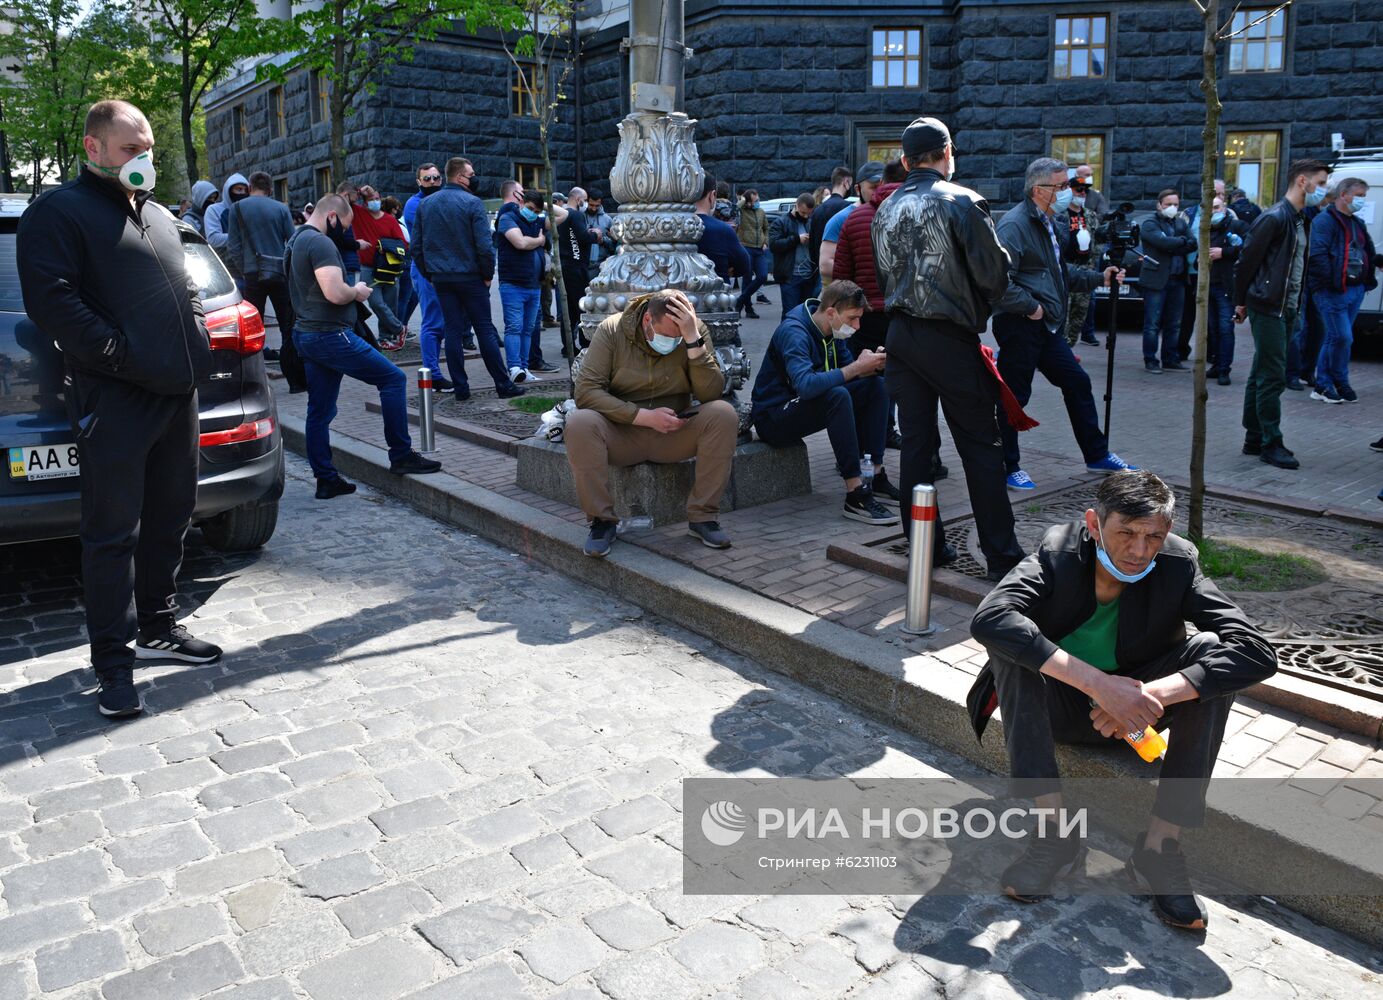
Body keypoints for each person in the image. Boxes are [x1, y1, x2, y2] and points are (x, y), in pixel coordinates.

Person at [967, 470, 1276, 930]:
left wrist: (1147, 696)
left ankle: (1157, 848)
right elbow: (990, 617)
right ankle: (1054, 833)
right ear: (1094, 524)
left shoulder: (1178, 564)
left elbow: (1258, 652)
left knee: (1213, 655)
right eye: (1125, 533)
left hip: (1139, 716)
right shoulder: (1058, 554)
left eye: (1153, 536)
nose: (1138, 550)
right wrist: (1098, 685)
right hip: (1063, 709)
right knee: (1010, 649)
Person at [17, 100, 223, 718]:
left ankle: (158, 626)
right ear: (93, 148)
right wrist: (119, 354)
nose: (144, 158)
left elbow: (183, 288)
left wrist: (197, 345)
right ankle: (112, 664)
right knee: (112, 535)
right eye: (131, 148)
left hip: (176, 395)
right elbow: (51, 302)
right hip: (115, 397)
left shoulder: (158, 215)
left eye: (149, 147)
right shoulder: (58, 213)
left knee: (171, 518)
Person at [872, 116, 1028, 579]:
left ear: (905, 160)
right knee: (980, 446)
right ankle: (1001, 555)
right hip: (948, 338)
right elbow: (994, 277)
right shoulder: (962, 201)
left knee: (918, 448)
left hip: (901, 335)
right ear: (947, 153)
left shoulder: (885, 208)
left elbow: (884, 278)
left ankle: (927, 547)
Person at [993, 158, 1136, 493]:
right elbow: (998, 281)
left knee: (1077, 382)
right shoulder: (1015, 225)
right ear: (1039, 190)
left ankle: (1096, 454)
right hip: (1020, 324)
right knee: (1015, 398)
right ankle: (1006, 465)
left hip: (1045, 327)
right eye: (1061, 187)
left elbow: (1060, 275)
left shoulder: (1048, 221)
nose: (1068, 193)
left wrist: (1100, 277)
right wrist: (1031, 308)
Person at [286, 194, 441, 496]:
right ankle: (401, 455)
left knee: (319, 411)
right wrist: (356, 291)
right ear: (331, 216)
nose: (345, 232)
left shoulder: (295, 240)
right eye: (344, 225)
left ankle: (326, 479)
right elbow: (334, 292)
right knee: (393, 379)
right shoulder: (320, 243)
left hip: (309, 334)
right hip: (330, 335)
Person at [566, 290, 737, 558]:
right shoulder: (612, 329)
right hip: (622, 431)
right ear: (647, 319)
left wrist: (693, 342)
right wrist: (641, 416)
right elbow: (585, 391)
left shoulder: (693, 331)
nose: (673, 341)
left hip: (674, 431)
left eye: (679, 336)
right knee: (579, 422)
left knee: (723, 414)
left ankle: (703, 517)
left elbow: (710, 394)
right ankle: (601, 522)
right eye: (669, 335)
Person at [751, 281, 898, 525]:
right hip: (773, 417)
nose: (857, 326)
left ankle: (874, 475)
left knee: (875, 386)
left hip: (805, 405)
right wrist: (856, 368)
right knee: (837, 396)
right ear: (831, 312)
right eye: (852, 319)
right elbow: (806, 386)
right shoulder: (794, 331)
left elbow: (848, 373)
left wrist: (871, 366)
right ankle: (855, 494)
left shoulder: (833, 330)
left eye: (859, 319)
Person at [1234, 158, 1332, 470]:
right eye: (1321, 183)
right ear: (1303, 182)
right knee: (1272, 375)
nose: (1324, 190)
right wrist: (1241, 302)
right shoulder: (1275, 218)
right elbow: (1247, 261)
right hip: (1269, 305)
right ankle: (1270, 442)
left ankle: (1255, 436)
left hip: (1286, 306)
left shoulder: (1301, 219)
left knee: (1261, 371)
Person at [413, 157, 524, 398]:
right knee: (484, 330)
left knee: (452, 331)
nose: (474, 178)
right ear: (461, 177)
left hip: (442, 278)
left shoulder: (426, 204)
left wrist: (430, 274)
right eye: (471, 174)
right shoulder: (473, 203)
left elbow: (416, 247)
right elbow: (484, 246)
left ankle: (461, 388)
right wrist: (486, 275)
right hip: (471, 277)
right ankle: (503, 385)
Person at [225, 170, 305, 389]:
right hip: (279, 273)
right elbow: (292, 242)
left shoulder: (237, 209)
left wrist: (244, 270)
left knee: (253, 327)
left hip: (252, 274)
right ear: (270, 189)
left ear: (250, 187)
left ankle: (255, 379)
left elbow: (233, 246)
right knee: (287, 326)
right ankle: (296, 380)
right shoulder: (280, 208)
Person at [1307, 176, 1378, 404]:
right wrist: (1332, 283)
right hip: (1333, 289)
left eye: (1364, 197)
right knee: (1341, 337)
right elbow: (1317, 255)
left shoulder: (1357, 223)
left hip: (1355, 289)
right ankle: (1324, 383)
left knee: (1338, 338)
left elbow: (1367, 250)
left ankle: (1337, 380)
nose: (1361, 201)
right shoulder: (1324, 221)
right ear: (1343, 194)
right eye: (1359, 196)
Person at [405, 163, 465, 393]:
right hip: (425, 270)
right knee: (432, 323)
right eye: (427, 178)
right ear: (419, 182)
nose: (432, 181)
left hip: (444, 269)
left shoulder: (442, 199)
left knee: (443, 323)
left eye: (436, 177)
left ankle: (438, 372)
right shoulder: (414, 204)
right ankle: (433, 374)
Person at [1138, 189, 1196, 373]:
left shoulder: (1180, 222)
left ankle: (1171, 358)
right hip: (1156, 280)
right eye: (1168, 204)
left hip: (1178, 280)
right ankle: (1150, 360)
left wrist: (1173, 242)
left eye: (1176, 204)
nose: (1172, 208)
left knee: (1174, 323)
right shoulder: (1149, 223)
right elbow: (1161, 243)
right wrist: (1179, 242)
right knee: (1152, 324)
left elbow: (1193, 243)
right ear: (1159, 205)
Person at [496, 183, 549, 383]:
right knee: (514, 327)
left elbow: (562, 215)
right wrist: (540, 241)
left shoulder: (536, 221)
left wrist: (548, 197)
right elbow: (520, 243)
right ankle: (514, 367)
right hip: (513, 283)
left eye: (537, 211)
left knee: (528, 329)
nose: (533, 213)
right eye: (530, 208)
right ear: (520, 202)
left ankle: (524, 369)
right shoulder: (507, 218)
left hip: (533, 285)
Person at [352, 182, 409, 350]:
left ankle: (385, 338)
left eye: (377, 198)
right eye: (371, 199)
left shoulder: (390, 220)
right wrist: (361, 191)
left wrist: (386, 246)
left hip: (390, 267)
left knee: (391, 304)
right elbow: (346, 200)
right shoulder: (360, 214)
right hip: (368, 267)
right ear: (365, 201)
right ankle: (399, 329)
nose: (375, 201)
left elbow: (403, 243)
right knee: (376, 302)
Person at [694, 173, 751, 326]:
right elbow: (744, 265)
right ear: (712, 195)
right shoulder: (721, 230)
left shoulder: (670, 227)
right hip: (716, 308)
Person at [1202, 196, 1247, 386]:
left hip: (1226, 286)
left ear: (1225, 207)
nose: (1214, 211)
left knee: (1226, 328)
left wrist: (1224, 252)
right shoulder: (1206, 229)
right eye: (1210, 208)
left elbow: (1249, 247)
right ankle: (1216, 364)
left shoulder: (1237, 226)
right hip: (1208, 285)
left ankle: (1224, 369)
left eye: (1217, 207)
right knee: (1212, 329)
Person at [819, 160, 883, 283]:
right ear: (857, 189)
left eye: (883, 186)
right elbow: (825, 266)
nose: (880, 192)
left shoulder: (896, 213)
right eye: (874, 187)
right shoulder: (841, 219)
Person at [1062, 174, 1103, 347]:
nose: (1082, 193)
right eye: (1078, 190)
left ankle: (1069, 348)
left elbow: (1099, 241)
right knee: (1062, 314)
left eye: (1085, 190)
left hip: (1085, 269)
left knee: (1079, 315)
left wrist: (1092, 264)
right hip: (1065, 269)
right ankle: (1057, 351)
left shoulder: (1090, 216)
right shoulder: (1060, 214)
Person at [558, 185, 600, 344]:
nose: (587, 205)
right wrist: (596, 235)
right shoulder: (575, 215)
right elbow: (582, 237)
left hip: (566, 264)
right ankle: (585, 341)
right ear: (578, 199)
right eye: (584, 201)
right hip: (576, 266)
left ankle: (567, 344)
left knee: (568, 308)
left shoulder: (562, 215)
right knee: (582, 305)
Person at [769, 194, 818, 320]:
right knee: (789, 314)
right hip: (790, 277)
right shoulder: (781, 222)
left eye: (809, 213)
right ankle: (784, 339)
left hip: (808, 275)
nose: (806, 216)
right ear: (796, 205)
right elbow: (774, 245)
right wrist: (796, 239)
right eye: (803, 213)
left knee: (806, 315)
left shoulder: (810, 223)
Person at [808, 166, 853, 275]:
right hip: (842, 270)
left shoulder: (817, 210)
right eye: (850, 183)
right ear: (846, 182)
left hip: (821, 270)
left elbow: (812, 244)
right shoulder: (848, 209)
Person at [735, 189, 769, 318]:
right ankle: (748, 309)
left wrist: (766, 241)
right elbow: (733, 210)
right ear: (748, 202)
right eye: (755, 201)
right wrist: (742, 201)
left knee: (762, 276)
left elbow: (766, 228)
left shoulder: (761, 212)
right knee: (747, 279)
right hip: (746, 248)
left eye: (758, 200)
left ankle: (740, 300)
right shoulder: (741, 211)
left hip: (759, 249)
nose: (757, 203)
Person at [205, 172, 249, 259]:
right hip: (226, 264)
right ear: (229, 191)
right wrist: (243, 236)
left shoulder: (250, 209)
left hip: (249, 264)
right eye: (239, 189)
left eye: (246, 190)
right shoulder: (214, 210)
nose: (243, 193)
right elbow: (214, 239)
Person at [585, 187, 617, 274]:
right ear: (586, 202)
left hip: (601, 265)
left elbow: (615, 246)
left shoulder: (608, 220)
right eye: (591, 205)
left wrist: (603, 240)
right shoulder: (579, 216)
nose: (594, 208)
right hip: (581, 263)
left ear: (601, 203)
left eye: (597, 206)